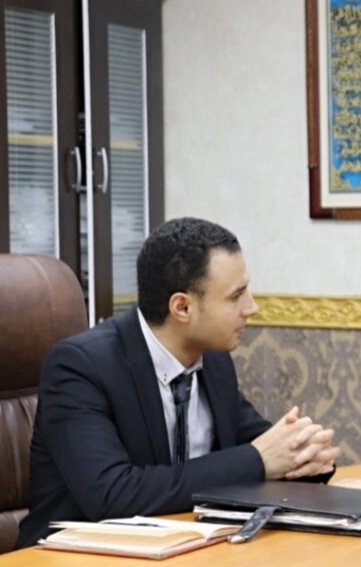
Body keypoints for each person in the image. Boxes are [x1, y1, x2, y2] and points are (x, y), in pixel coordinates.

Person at [17, 218, 339, 546]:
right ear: (182, 307)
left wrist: (304, 456)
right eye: (236, 296)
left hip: (182, 554)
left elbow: (260, 446)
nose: (251, 308)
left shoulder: (213, 361)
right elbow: (112, 494)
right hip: (73, 562)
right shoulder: (81, 367)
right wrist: (258, 460)